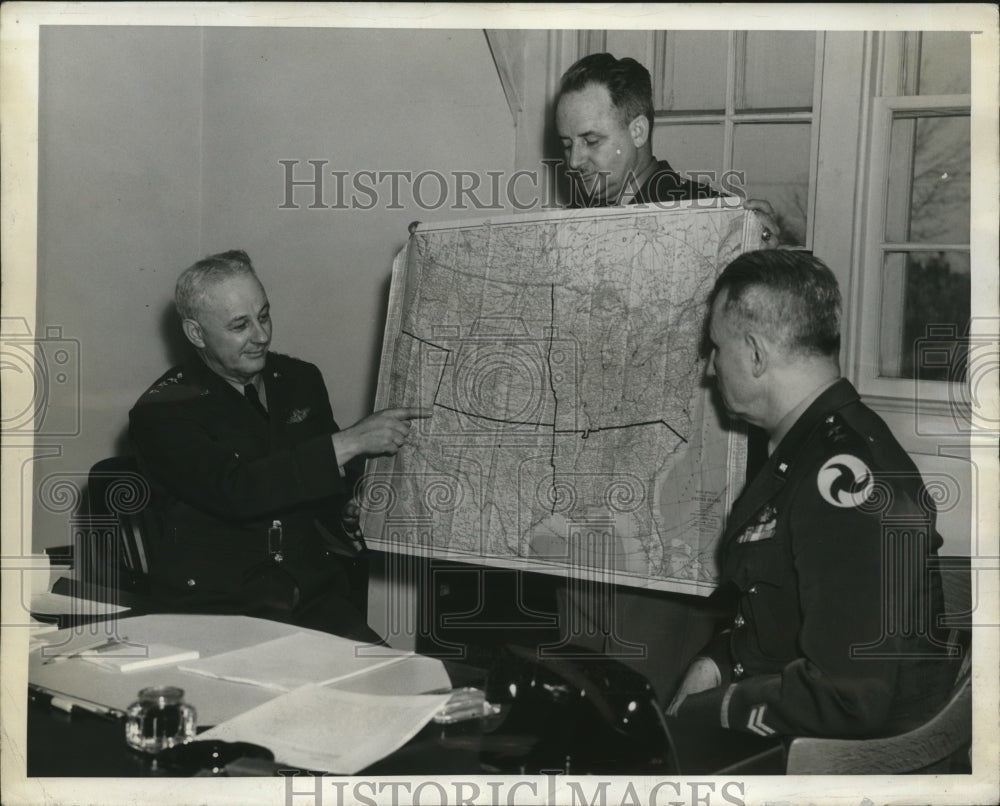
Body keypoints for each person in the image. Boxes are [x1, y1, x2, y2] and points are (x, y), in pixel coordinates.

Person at [543, 52, 778, 702]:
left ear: (639, 132)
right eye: (567, 145)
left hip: (672, 522)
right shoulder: (577, 236)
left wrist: (766, 241)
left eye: (593, 140)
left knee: (650, 713)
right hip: (586, 514)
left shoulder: (712, 225)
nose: (577, 160)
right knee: (583, 704)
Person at [666, 249, 956, 737]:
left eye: (717, 348)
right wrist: (719, 662)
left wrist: (719, 708)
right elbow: (777, 613)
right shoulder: (806, 449)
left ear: (756, 354)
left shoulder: (843, 480)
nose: (711, 369)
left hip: (849, 759)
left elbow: (847, 697)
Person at [129, 249, 423, 642]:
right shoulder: (162, 411)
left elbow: (322, 481)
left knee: (401, 684)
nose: (262, 336)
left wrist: (350, 507)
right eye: (240, 326)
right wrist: (350, 441)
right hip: (223, 608)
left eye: (264, 315)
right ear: (196, 333)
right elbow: (239, 490)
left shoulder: (298, 379)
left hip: (312, 594)